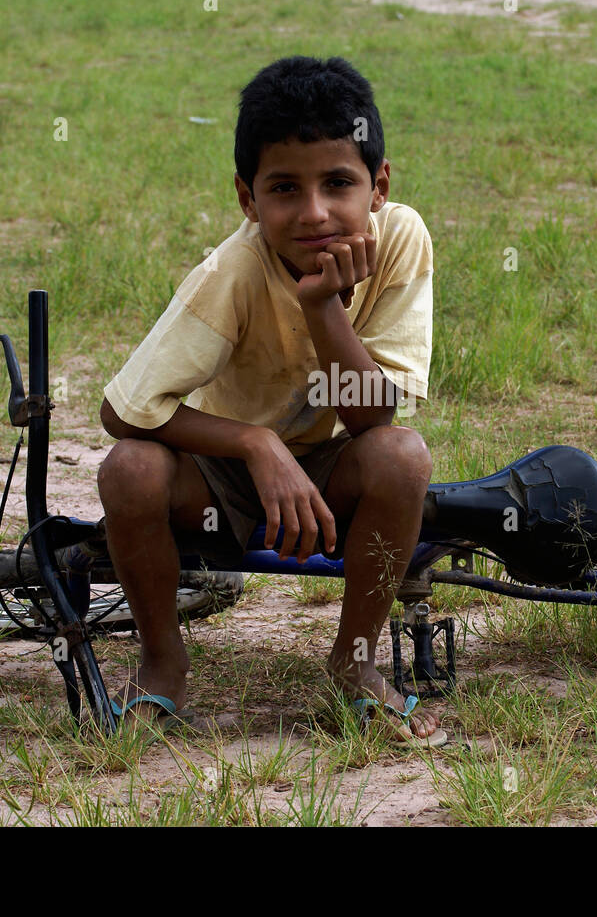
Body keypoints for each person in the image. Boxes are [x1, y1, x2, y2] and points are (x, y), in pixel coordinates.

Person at [96, 55, 445, 746]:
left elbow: (374, 418)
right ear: (248, 200)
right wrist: (256, 445)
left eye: (338, 183)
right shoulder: (233, 269)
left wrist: (324, 308)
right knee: (129, 470)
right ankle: (163, 661)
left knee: (401, 459)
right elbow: (124, 412)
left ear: (378, 186)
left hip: (331, 468)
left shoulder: (400, 237)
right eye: (284, 188)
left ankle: (356, 663)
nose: (314, 213)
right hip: (222, 477)